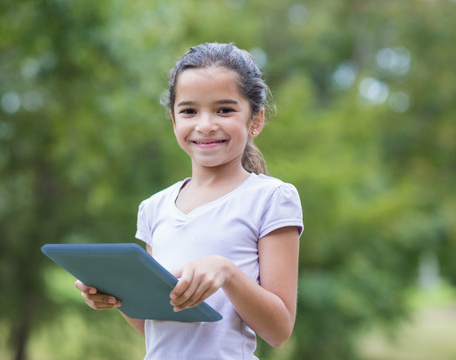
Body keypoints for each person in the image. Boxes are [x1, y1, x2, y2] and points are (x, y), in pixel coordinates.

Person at [75, 42, 304, 360]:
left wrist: (226, 271)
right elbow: (156, 323)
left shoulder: (272, 198)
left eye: (224, 109)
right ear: (173, 119)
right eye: (189, 111)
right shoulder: (154, 207)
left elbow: (279, 330)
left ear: (256, 120)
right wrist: (116, 294)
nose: (205, 124)